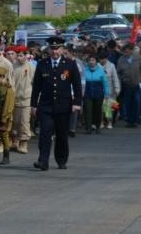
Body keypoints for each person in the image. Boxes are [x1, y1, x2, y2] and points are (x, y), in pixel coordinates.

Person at [30, 36, 82, 171]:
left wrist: (77, 102)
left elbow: (77, 86)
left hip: (63, 106)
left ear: (62, 49)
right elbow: (36, 86)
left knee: (61, 135)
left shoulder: (70, 64)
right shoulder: (42, 64)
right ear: (48, 49)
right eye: (52, 49)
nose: (55, 52)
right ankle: (43, 161)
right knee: (45, 134)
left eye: (57, 48)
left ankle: (61, 159)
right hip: (46, 106)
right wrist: (34, 105)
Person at [8, 45, 34, 154]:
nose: (19, 58)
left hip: (26, 99)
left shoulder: (32, 67)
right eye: (18, 55)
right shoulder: (13, 66)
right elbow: (9, 80)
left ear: (26, 56)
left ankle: (24, 143)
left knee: (24, 122)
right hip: (14, 98)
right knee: (15, 121)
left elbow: (35, 83)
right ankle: (15, 141)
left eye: (21, 55)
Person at [117, 43, 141, 127]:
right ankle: (130, 121)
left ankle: (136, 118)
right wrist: (120, 81)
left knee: (137, 102)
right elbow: (118, 72)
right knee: (128, 103)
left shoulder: (138, 58)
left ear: (131, 50)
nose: (125, 53)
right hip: (126, 85)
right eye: (124, 52)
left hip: (137, 84)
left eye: (127, 51)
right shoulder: (121, 59)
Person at [82, 54, 110, 134]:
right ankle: (88, 128)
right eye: (90, 60)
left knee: (97, 111)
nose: (91, 62)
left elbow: (105, 83)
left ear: (96, 62)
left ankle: (98, 126)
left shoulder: (101, 71)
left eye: (93, 60)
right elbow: (82, 83)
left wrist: (107, 94)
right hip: (87, 94)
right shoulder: (85, 71)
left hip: (98, 94)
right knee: (88, 111)